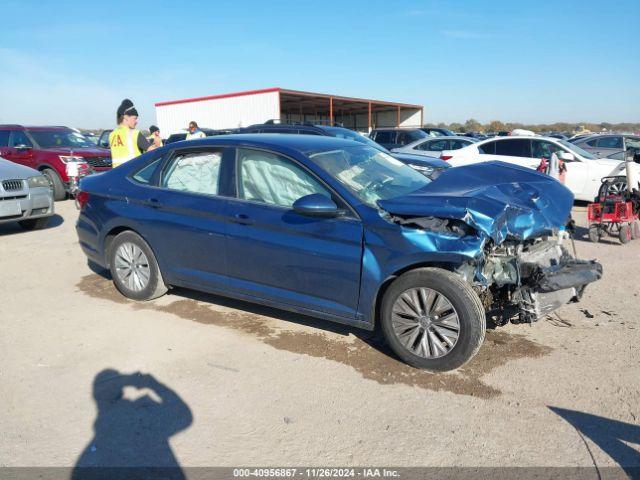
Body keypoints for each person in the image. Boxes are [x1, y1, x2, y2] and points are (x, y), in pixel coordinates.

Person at [109, 99, 158, 168]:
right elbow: (154, 152)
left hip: (116, 174)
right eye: (135, 118)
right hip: (132, 174)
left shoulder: (112, 135)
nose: (136, 121)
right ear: (126, 117)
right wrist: (157, 144)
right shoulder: (134, 133)